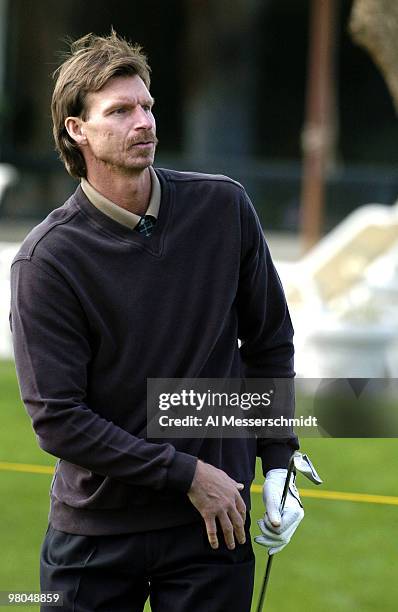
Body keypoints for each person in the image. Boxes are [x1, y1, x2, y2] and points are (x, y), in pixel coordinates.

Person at [10, 31, 304, 612]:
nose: (143, 121)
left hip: (216, 526)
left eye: (146, 106)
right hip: (96, 535)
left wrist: (278, 458)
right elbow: (59, 419)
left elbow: (269, 342)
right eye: (119, 111)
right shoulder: (46, 261)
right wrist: (188, 473)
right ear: (77, 130)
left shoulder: (224, 208)